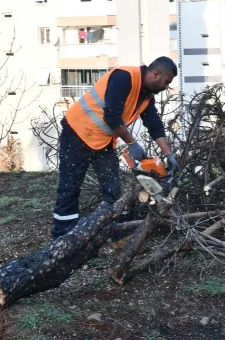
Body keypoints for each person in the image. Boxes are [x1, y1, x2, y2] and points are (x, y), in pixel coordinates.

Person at [51, 56, 180, 239]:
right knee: (70, 188)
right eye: (166, 82)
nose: (166, 87)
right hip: (77, 133)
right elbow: (111, 116)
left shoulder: (146, 95)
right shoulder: (124, 77)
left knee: (114, 190)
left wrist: (169, 154)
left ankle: (117, 235)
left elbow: (154, 125)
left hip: (102, 141)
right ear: (155, 74)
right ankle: (62, 238)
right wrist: (132, 143)